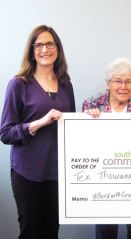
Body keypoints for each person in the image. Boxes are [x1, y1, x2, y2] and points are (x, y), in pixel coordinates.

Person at [0, 25, 76, 239]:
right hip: (27, 173)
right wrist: (39, 123)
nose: (45, 49)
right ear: (32, 51)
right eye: (39, 45)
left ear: (58, 49)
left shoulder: (65, 85)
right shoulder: (18, 84)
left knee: (51, 232)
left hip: (57, 173)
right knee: (31, 232)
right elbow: (5, 133)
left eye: (50, 44)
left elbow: (70, 127)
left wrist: (87, 118)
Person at [82, 57, 131, 239]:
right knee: (106, 232)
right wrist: (87, 121)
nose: (124, 86)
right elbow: (82, 143)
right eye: (118, 81)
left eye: (129, 81)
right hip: (104, 180)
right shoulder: (92, 104)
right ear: (108, 83)